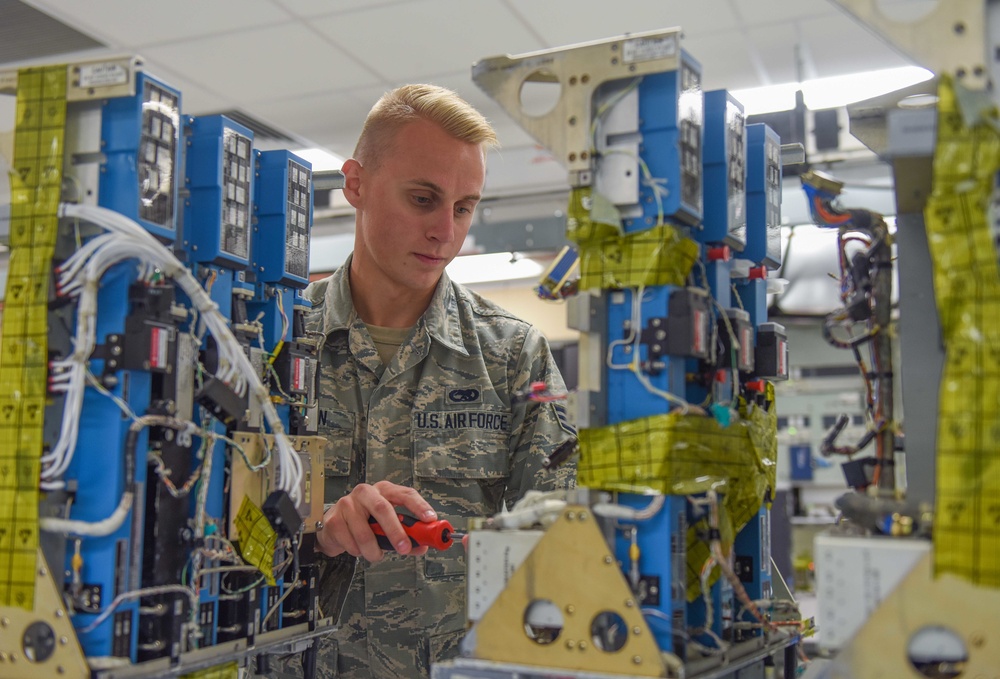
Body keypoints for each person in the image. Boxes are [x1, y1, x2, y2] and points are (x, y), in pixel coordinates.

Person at [279, 84, 576, 679]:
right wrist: (318, 530)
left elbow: (564, 535)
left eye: (465, 207)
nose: (446, 231)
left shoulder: (513, 355)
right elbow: (219, 537)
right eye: (423, 198)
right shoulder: (277, 342)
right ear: (356, 184)